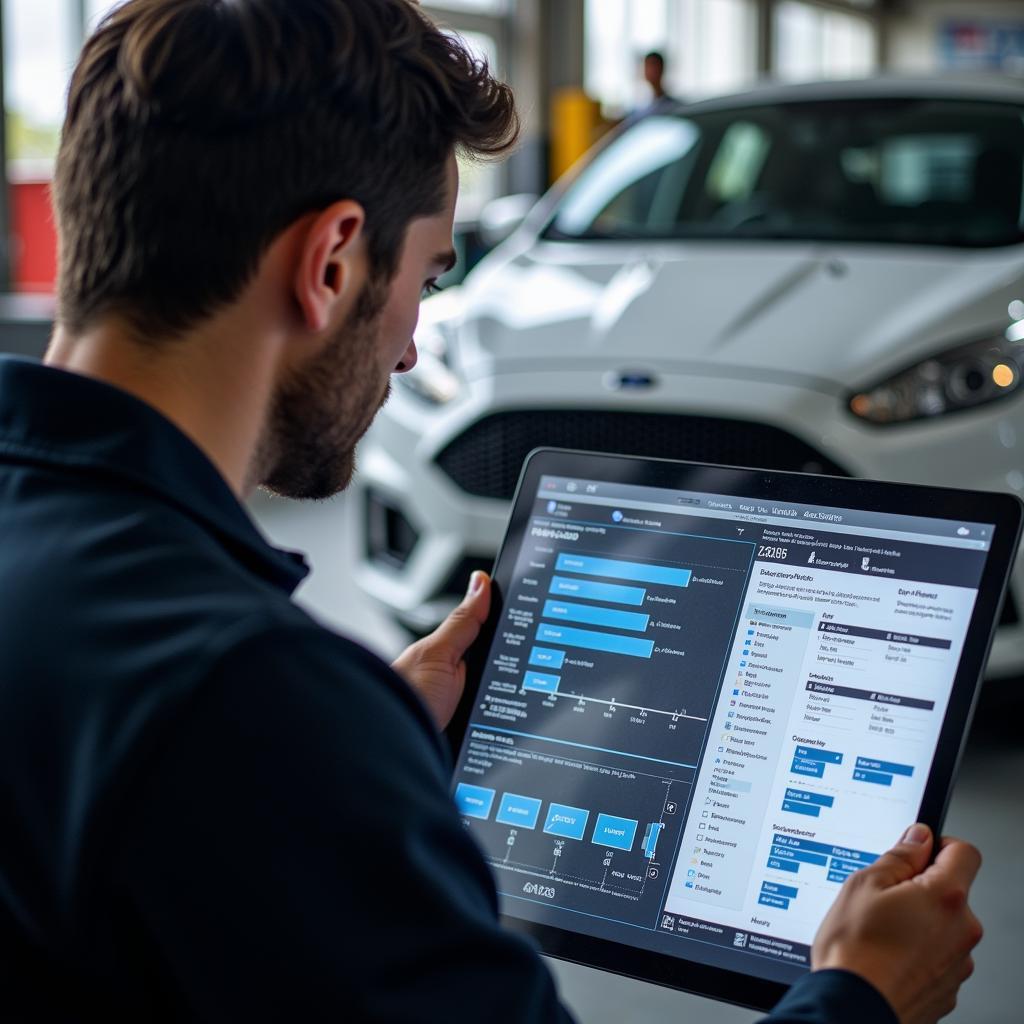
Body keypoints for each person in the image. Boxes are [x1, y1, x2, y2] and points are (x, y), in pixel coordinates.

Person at [0, 2, 982, 1021]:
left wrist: (357, 743)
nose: (412, 349)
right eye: (424, 278)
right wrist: (862, 994)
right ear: (331, 261)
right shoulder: (247, 699)